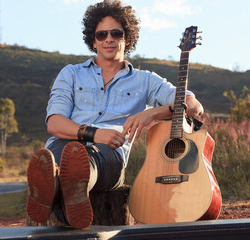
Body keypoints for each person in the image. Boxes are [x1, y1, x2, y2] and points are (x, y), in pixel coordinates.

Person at [26, 0, 204, 229]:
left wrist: (152, 114)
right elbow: (55, 123)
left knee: (87, 161)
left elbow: (193, 106)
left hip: (110, 154)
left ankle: (56, 186)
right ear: (93, 40)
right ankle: (67, 188)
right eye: (101, 35)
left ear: (127, 39)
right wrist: (93, 133)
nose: (108, 39)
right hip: (66, 142)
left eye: (116, 33)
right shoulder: (70, 73)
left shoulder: (146, 80)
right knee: (64, 154)